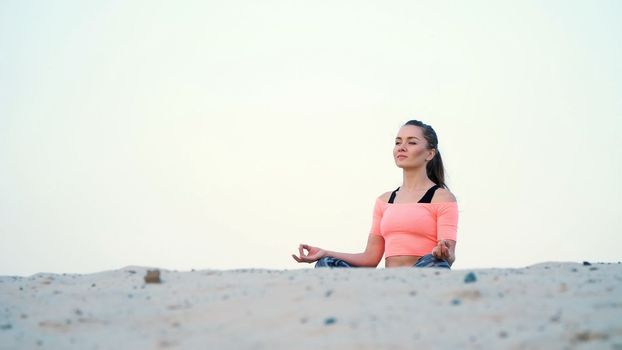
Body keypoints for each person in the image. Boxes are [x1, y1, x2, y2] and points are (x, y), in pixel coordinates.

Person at [291, 119, 458, 269]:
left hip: (424, 273)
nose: (402, 147)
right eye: (398, 142)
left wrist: (441, 252)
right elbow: (370, 258)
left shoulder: (442, 198)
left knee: (435, 262)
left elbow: (448, 257)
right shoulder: (384, 201)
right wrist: (325, 252)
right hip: (389, 281)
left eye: (412, 142)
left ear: (430, 153)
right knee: (326, 263)